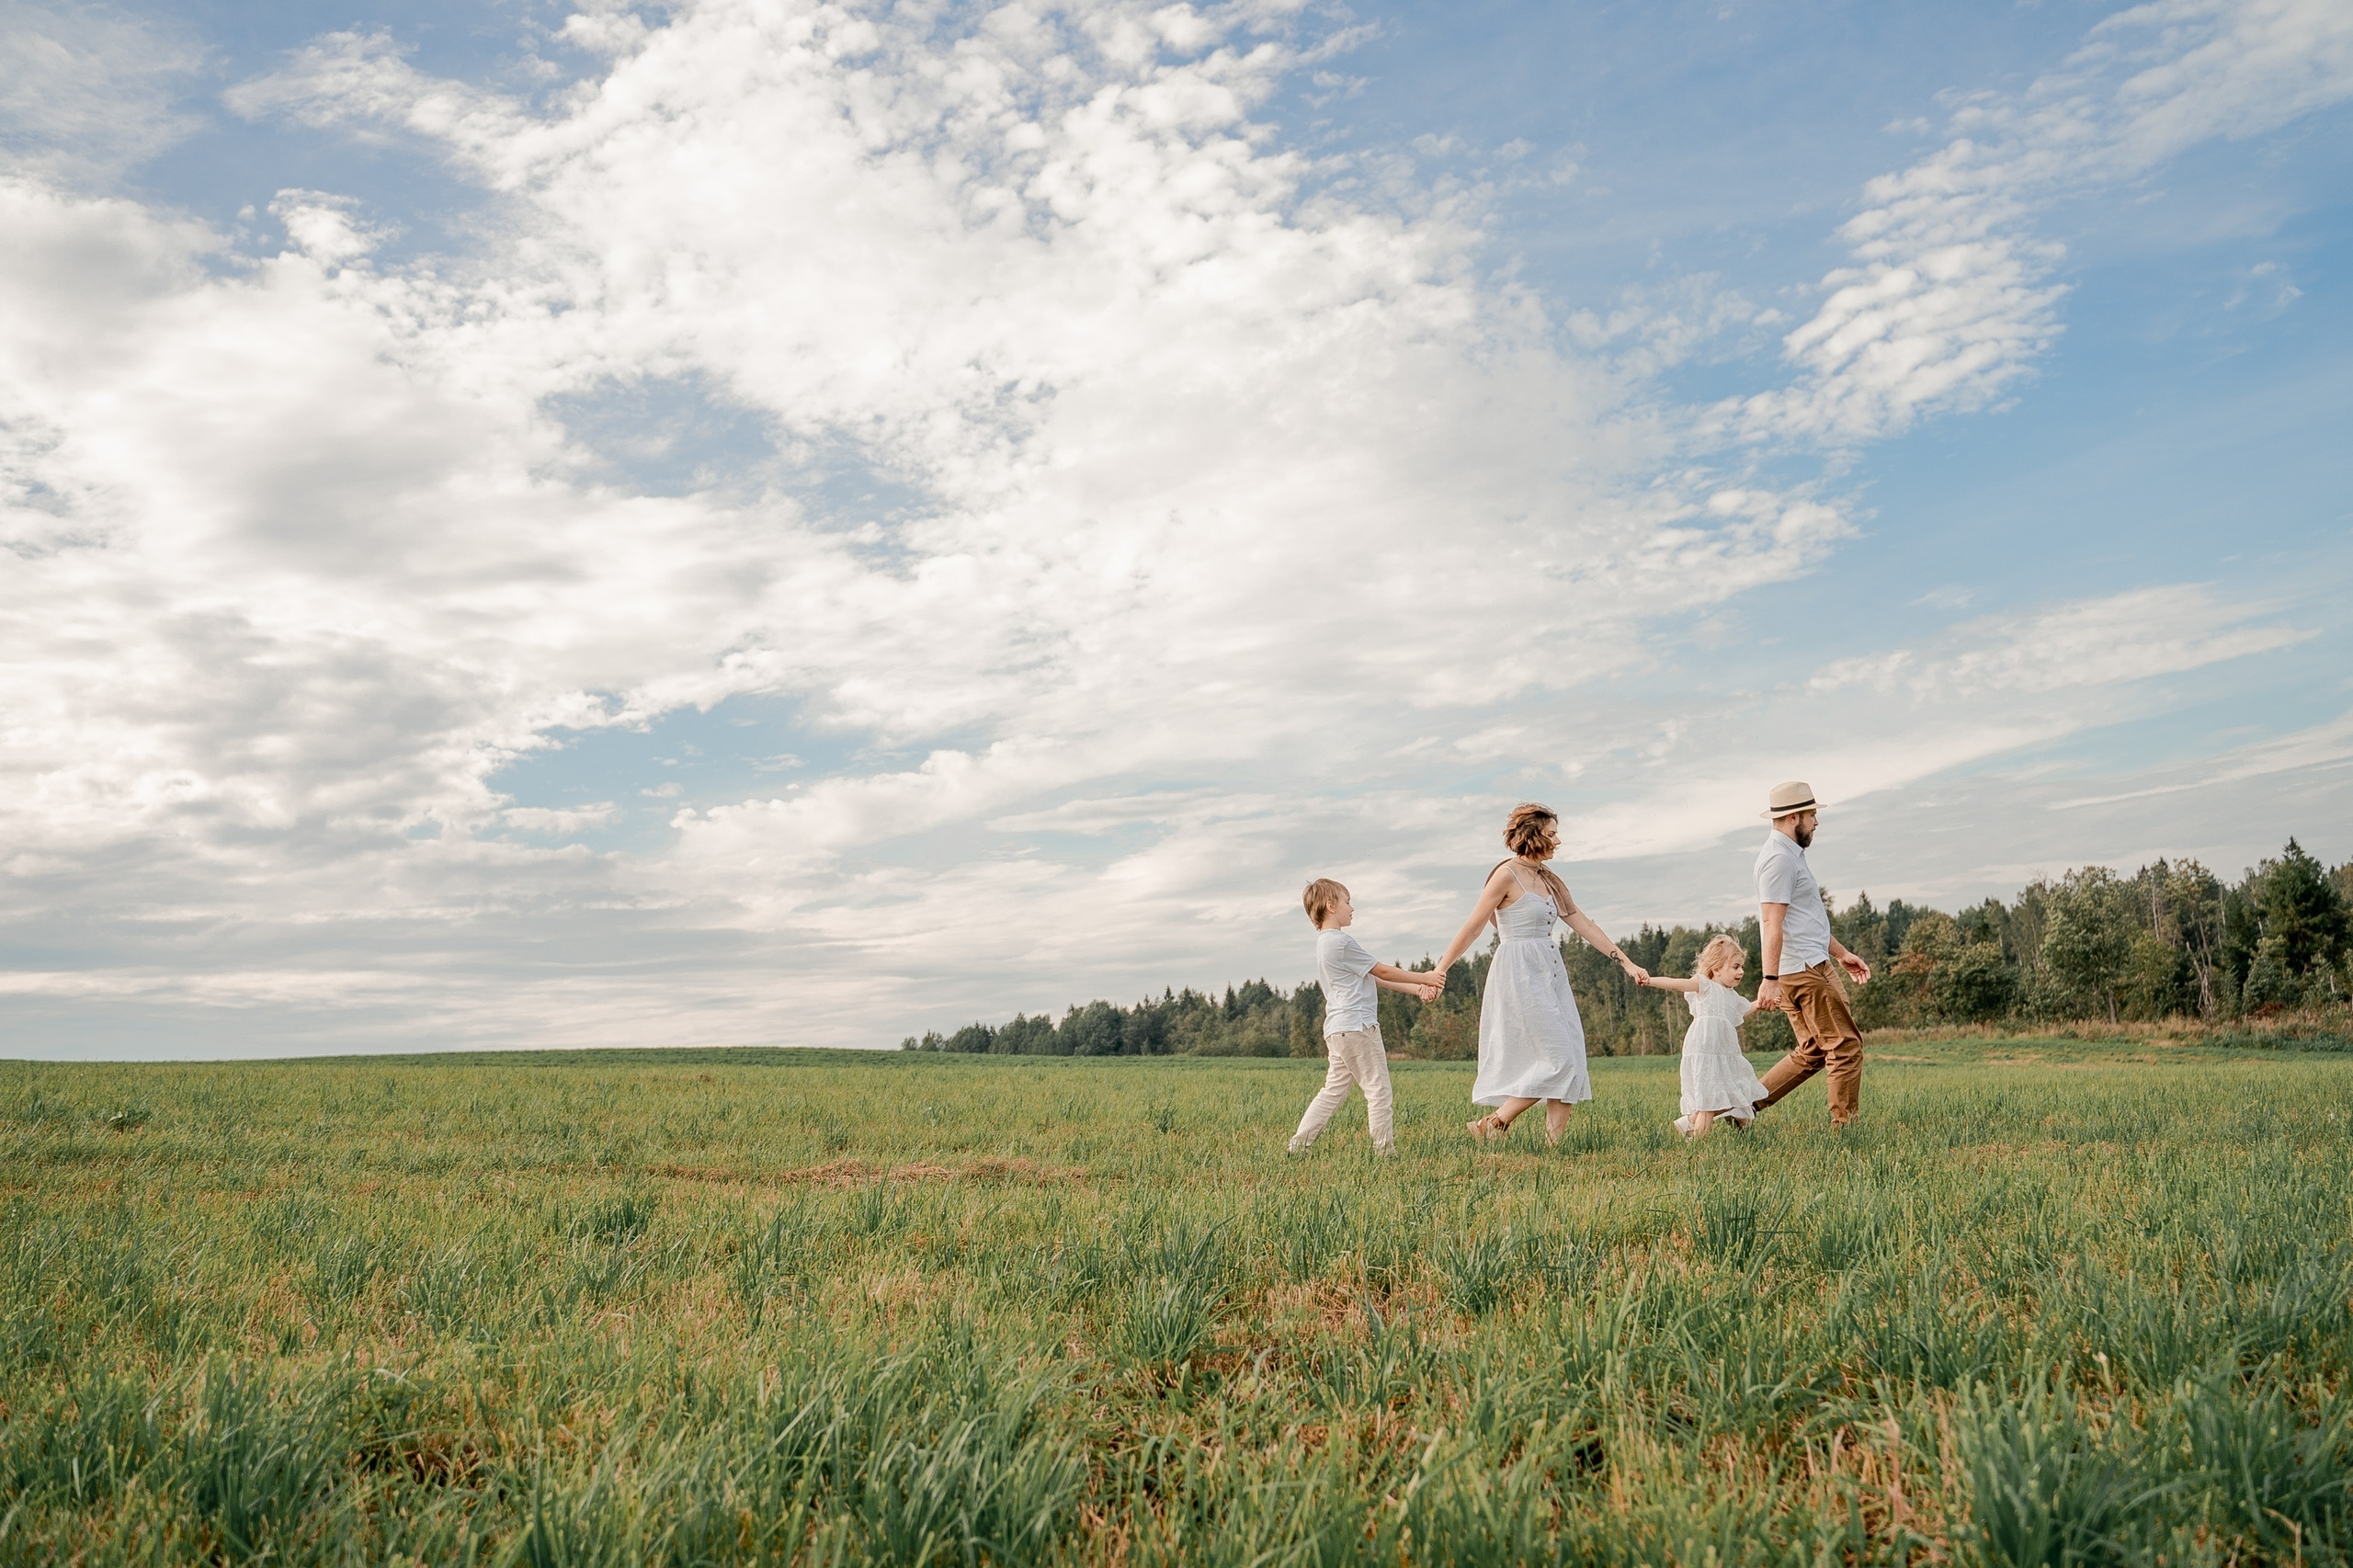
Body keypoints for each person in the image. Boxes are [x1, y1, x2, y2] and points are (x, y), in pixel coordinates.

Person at [1425, 803, 1647, 1145]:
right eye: (1552, 833)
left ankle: (1553, 1147)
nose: (1558, 840)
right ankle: (1493, 1123)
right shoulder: (1506, 875)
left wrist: (1627, 963)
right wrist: (1441, 969)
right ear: (1532, 835)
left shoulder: (1549, 880)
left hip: (1551, 971)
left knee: (1571, 1057)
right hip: (1518, 972)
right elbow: (1473, 926)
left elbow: (1584, 924)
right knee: (1558, 1059)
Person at [1287, 878, 1438, 1156]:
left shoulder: (1326, 944)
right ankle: (1385, 1153)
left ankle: (1298, 1146)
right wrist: (1425, 976)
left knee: (1332, 1092)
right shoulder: (1341, 942)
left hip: (1338, 1028)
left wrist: (1417, 988)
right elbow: (1382, 971)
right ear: (1331, 906)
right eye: (1347, 902)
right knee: (1378, 1090)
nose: (1352, 908)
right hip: (1358, 1026)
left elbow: (1372, 975)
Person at [1750, 781, 1871, 1127]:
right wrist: (1769, 980)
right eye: (1812, 815)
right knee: (1845, 1046)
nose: (1817, 822)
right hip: (1803, 970)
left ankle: (1743, 1107)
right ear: (1793, 818)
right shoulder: (1778, 860)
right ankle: (1844, 1131)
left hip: (1805, 963)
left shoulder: (1788, 856)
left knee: (1815, 1050)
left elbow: (1805, 920)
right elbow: (1773, 923)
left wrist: (1841, 953)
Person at [1641, 933, 1769, 1139]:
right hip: (1704, 1048)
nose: (1741, 972)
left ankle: (1694, 1121)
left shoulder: (1731, 996)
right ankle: (1699, 1144)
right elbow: (1675, 983)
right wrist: (1650, 981)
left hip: (1724, 1051)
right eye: (1735, 967)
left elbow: (1743, 1011)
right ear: (1716, 969)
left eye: (1741, 967)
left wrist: (1761, 1003)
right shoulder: (1705, 985)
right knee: (1709, 1100)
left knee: (1733, 1091)